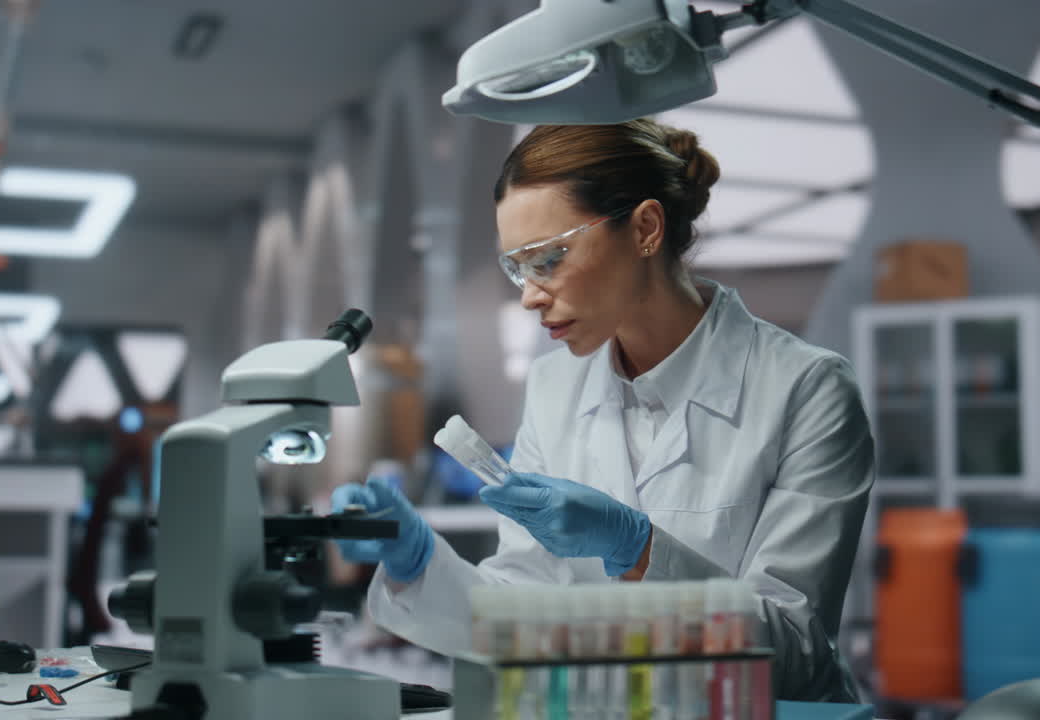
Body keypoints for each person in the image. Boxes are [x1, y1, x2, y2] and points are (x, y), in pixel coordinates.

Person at [331, 119, 875, 702]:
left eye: (550, 258)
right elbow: (522, 622)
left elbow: (795, 653)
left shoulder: (806, 388)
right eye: (517, 266)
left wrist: (637, 548)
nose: (529, 294)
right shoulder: (553, 385)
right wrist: (419, 563)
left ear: (644, 228)